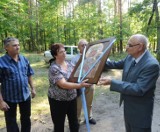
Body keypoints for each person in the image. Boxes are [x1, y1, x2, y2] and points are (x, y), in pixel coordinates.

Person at [99, 34, 160, 132]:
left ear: (140, 47)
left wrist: (112, 82)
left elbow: (139, 89)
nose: (126, 48)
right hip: (129, 109)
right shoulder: (130, 57)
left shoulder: (151, 65)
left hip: (140, 113)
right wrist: (98, 60)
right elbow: (115, 64)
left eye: (129, 45)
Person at [48, 43, 92, 132]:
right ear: (55, 55)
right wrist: (79, 85)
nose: (64, 53)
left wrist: (91, 78)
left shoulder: (69, 64)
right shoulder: (54, 68)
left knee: (74, 123)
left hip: (72, 98)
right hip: (58, 101)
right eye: (61, 52)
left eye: (64, 51)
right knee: (59, 125)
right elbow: (63, 84)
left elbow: (78, 75)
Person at [0, 37, 36, 132]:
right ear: (6, 48)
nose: (18, 47)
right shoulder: (1, 62)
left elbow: (29, 74)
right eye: (14, 45)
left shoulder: (23, 59)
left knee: (26, 119)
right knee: (11, 122)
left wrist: (33, 88)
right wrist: (1, 101)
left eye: (18, 45)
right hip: (9, 98)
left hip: (25, 95)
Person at [71, 39, 96, 125]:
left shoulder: (92, 57)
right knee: (78, 105)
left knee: (89, 103)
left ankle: (89, 118)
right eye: (82, 45)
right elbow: (72, 73)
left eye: (86, 45)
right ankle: (77, 120)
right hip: (79, 85)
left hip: (90, 84)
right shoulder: (75, 59)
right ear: (78, 47)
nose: (85, 46)